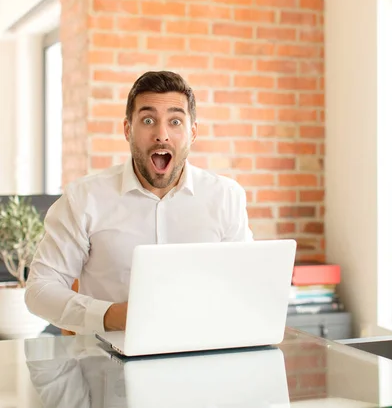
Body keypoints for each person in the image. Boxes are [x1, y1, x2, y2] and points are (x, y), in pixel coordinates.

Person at [25, 70, 253, 335]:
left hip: (202, 358)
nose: (162, 134)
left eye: (175, 122)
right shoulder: (83, 198)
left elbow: (244, 285)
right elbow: (39, 290)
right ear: (127, 130)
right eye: (148, 120)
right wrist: (112, 315)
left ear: (193, 132)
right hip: (104, 366)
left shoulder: (226, 196)